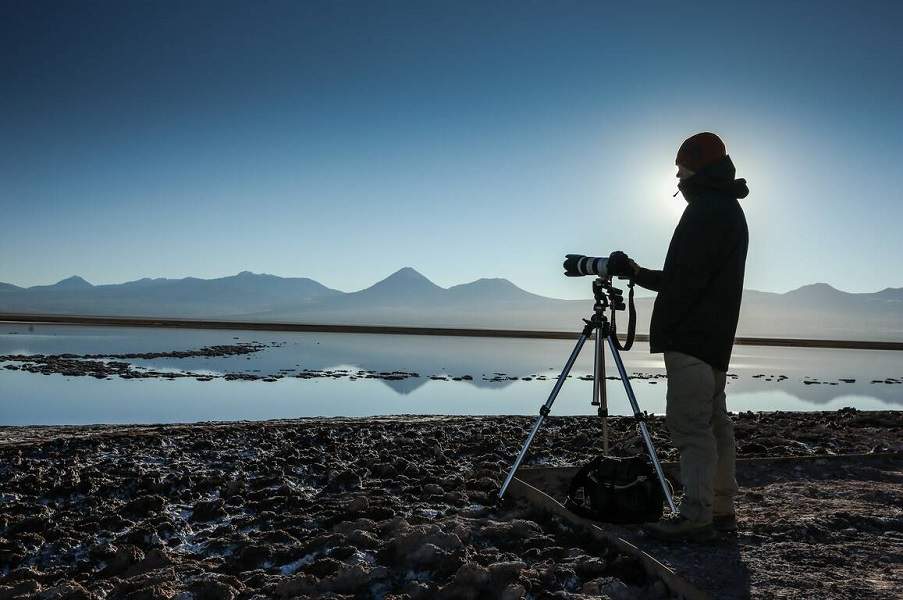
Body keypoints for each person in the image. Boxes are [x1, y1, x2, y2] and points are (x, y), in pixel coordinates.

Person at [612, 132, 749, 542]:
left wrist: (634, 273)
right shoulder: (728, 208)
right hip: (715, 340)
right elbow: (693, 279)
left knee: (691, 428)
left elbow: (682, 282)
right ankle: (721, 507)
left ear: (697, 167)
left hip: (690, 338)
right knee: (714, 424)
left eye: (681, 167)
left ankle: (695, 515)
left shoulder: (706, 210)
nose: (676, 174)